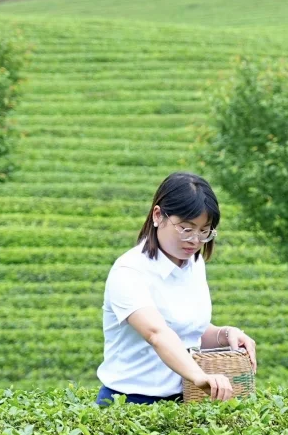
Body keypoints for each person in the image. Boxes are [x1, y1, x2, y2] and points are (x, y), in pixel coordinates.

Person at [97, 171, 257, 405]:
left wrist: (226, 334)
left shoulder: (194, 264)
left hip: (183, 399)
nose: (194, 240)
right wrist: (199, 376)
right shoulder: (129, 271)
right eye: (186, 228)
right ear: (158, 215)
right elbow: (157, 334)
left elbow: (187, 330)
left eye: (205, 231)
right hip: (129, 402)